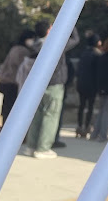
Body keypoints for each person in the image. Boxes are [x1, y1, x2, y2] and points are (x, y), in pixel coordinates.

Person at [19, 19, 79, 159]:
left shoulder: (35, 45)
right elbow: (75, 39)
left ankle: (31, 146)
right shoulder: (55, 44)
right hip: (54, 84)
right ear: (48, 30)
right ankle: (43, 147)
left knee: (36, 116)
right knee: (50, 115)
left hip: (37, 84)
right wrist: (70, 19)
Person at [0, 28, 36, 125]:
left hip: (5, 81)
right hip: (13, 82)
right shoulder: (22, 51)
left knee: (6, 108)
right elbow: (21, 65)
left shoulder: (14, 48)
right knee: (11, 109)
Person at [75, 32, 101, 138]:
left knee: (81, 105)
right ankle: (87, 126)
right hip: (92, 84)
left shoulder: (84, 53)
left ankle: (79, 126)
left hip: (81, 83)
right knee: (90, 106)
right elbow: (98, 71)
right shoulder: (97, 54)